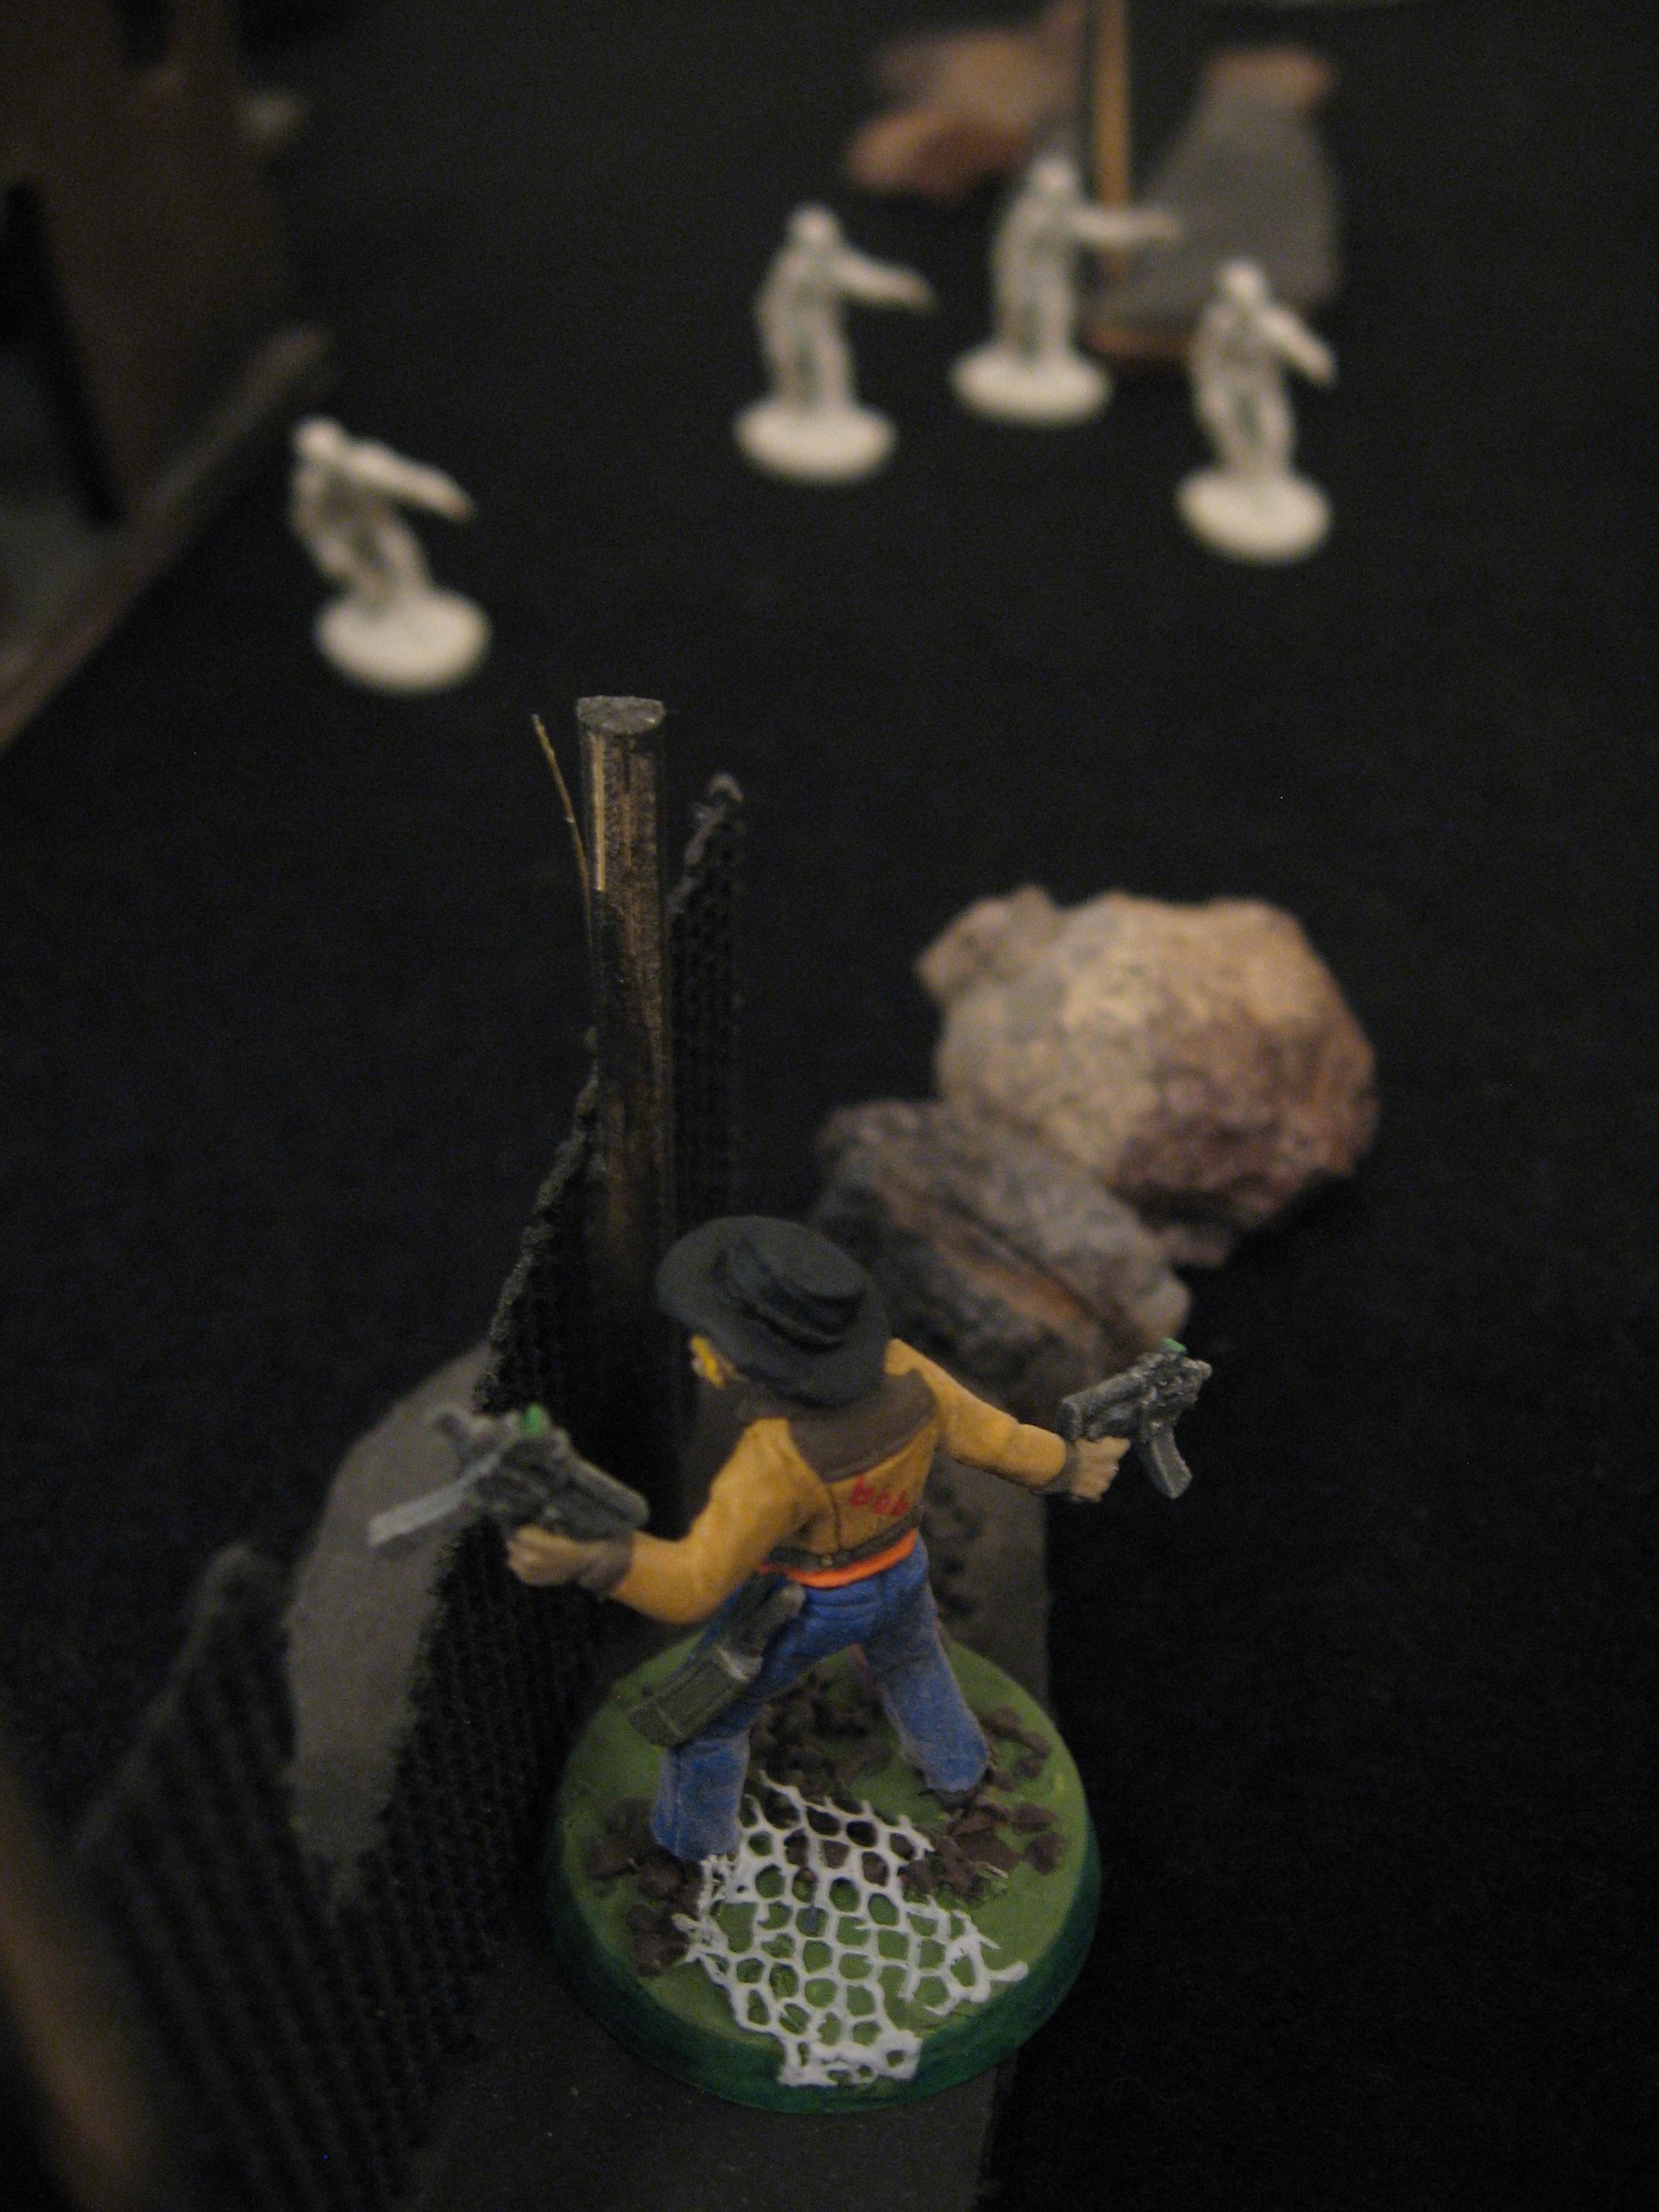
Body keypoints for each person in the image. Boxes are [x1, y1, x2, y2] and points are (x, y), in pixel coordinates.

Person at [506, 1217, 1125, 1862]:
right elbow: (1000, 1441)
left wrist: (596, 1558)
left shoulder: (777, 1459)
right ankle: (960, 1773)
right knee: (914, 1662)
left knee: (706, 1720)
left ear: (756, 1359)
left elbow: (694, 1585)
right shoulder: (909, 1373)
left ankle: (690, 1848)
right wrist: (1070, 1465)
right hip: (904, 1570)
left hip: (812, 1601)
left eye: (713, 1338)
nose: (698, 1349)